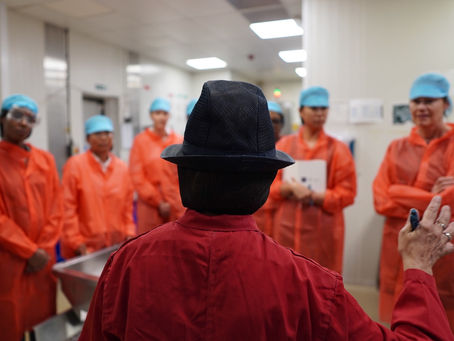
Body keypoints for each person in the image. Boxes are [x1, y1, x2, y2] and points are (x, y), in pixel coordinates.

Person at [80, 80, 454, 340]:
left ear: (183, 173)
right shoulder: (312, 288)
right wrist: (420, 268)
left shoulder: (126, 264)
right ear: (265, 182)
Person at [373, 72, 454, 328]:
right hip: (396, 242)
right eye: (416, 100)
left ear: (446, 104)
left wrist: (401, 191)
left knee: (438, 310)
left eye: (429, 100)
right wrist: (432, 195)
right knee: (398, 309)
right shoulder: (396, 147)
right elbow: (381, 198)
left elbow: (451, 200)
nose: (421, 107)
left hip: (439, 245)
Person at [270, 86, 356, 274]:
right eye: (313, 108)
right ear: (301, 111)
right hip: (286, 228)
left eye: (323, 108)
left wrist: (314, 195)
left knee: (322, 283)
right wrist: (286, 189)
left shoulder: (339, 149)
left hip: (324, 232)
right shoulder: (284, 145)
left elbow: (348, 193)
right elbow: (269, 185)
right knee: (286, 278)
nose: (319, 113)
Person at [0, 94, 62, 340]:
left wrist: (42, 250)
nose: (23, 123)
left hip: (42, 260)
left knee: (43, 324)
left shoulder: (45, 160)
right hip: (9, 261)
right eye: (17, 116)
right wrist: (29, 251)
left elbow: (55, 210)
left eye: (30, 118)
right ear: (3, 118)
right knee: (8, 322)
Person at [61, 115, 136, 258]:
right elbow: (67, 208)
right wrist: (76, 242)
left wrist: (129, 234)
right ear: (88, 138)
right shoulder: (75, 165)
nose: (103, 138)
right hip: (85, 248)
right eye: (97, 134)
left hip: (116, 246)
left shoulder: (121, 168)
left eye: (107, 133)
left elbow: (127, 207)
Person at [129, 97, 184, 234]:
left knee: (177, 243)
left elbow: (184, 174)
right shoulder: (140, 141)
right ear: (151, 115)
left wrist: (177, 201)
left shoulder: (178, 140)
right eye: (157, 113)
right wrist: (158, 202)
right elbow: (137, 176)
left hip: (176, 206)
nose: (161, 117)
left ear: (169, 116)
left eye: (165, 113)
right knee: (150, 245)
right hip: (151, 208)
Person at [253, 100, 284, 235]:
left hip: (282, 221)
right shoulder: (249, 150)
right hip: (255, 219)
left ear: (282, 125)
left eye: (275, 121)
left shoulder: (289, 148)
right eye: (266, 120)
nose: (271, 124)